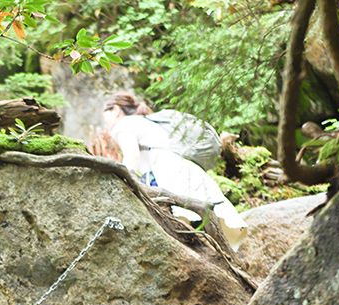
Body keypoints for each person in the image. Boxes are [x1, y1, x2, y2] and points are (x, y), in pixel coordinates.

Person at [98, 91, 248, 249]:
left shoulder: (123, 124)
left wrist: (122, 180)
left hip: (166, 171)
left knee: (179, 223)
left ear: (115, 110)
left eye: (105, 114)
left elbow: (132, 156)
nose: (105, 122)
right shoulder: (144, 121)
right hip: (182, 167)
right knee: (194, 220)